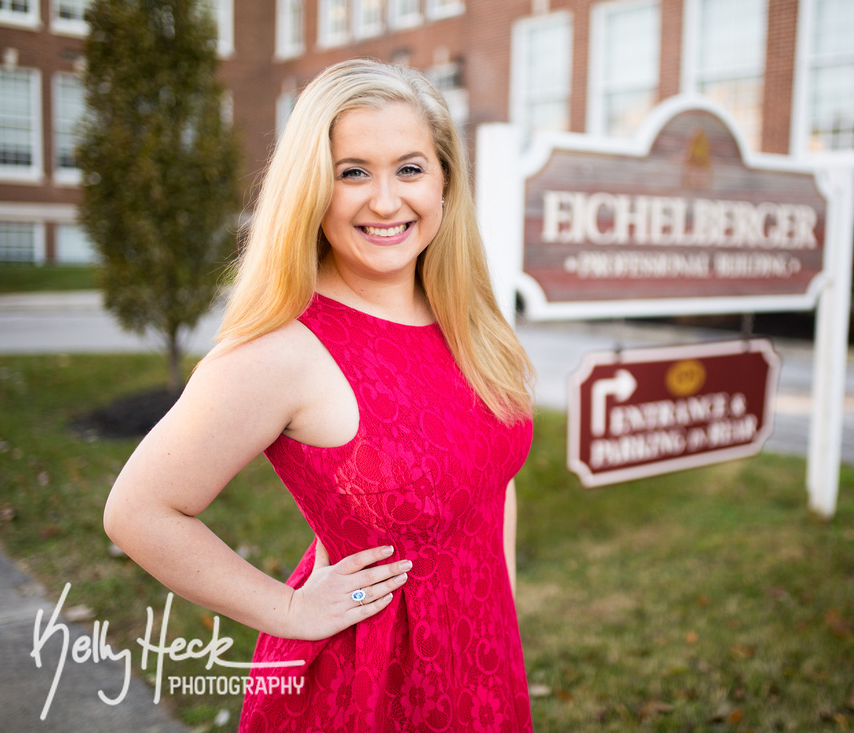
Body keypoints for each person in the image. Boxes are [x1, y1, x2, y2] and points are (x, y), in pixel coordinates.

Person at [103, 58, 536, 732]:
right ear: (312, 189)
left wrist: (496, 614)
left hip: (480, 664)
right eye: (352, 171)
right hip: (366, 685)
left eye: (410, 168)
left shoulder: (464, 318)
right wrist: (290, 611)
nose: (386, 201)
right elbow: (139, 510)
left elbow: (491, 479)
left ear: (446, 182)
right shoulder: (282, 350)